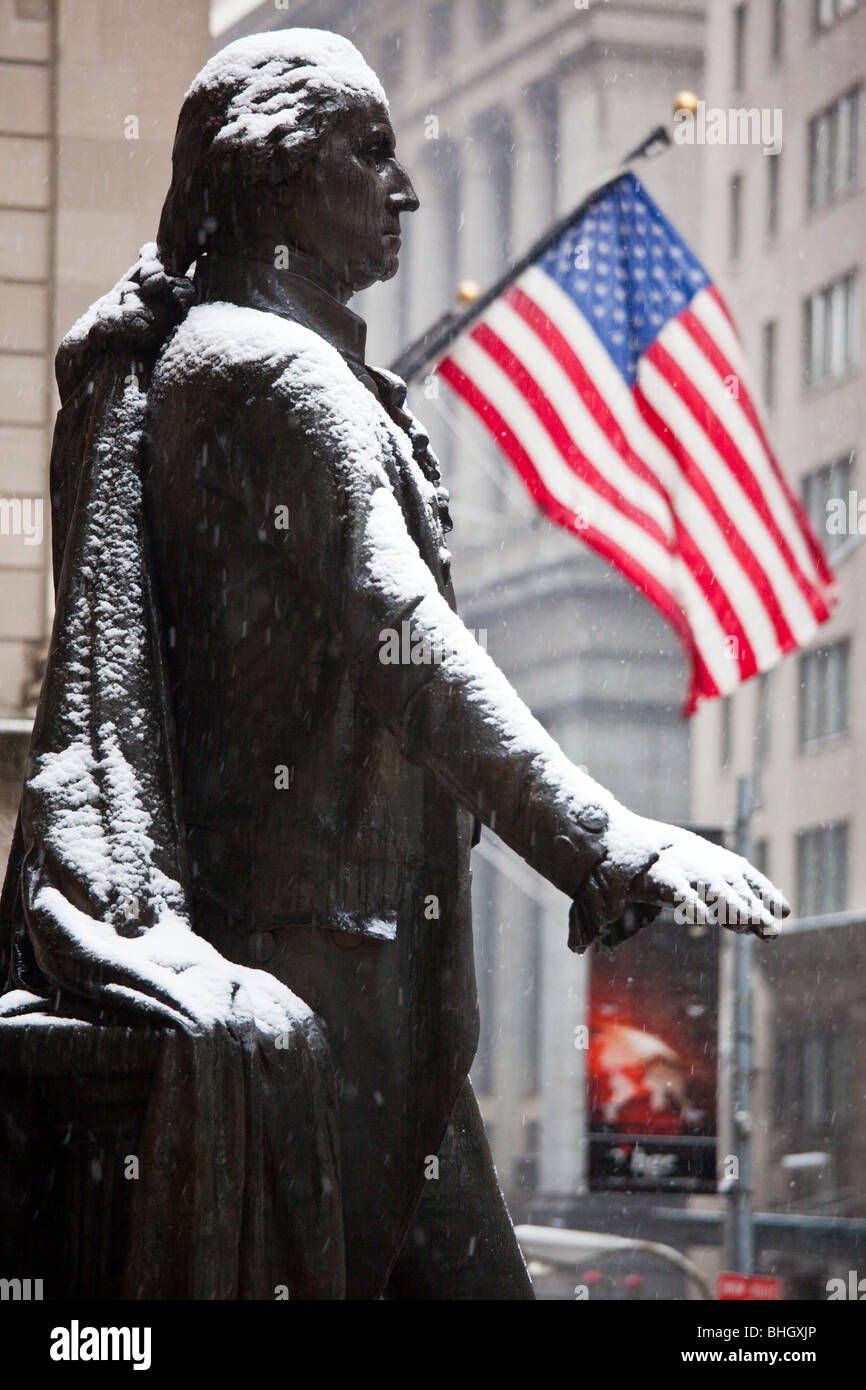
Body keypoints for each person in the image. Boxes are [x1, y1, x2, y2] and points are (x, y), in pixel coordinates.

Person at [0, 29, 788, 1301]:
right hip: (320, 986)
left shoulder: (254, 366)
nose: (402, 187)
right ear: (273, 177)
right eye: (369, 154)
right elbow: (406, 640)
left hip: (365, 981)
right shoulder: (263, 370)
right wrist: (601, 839)